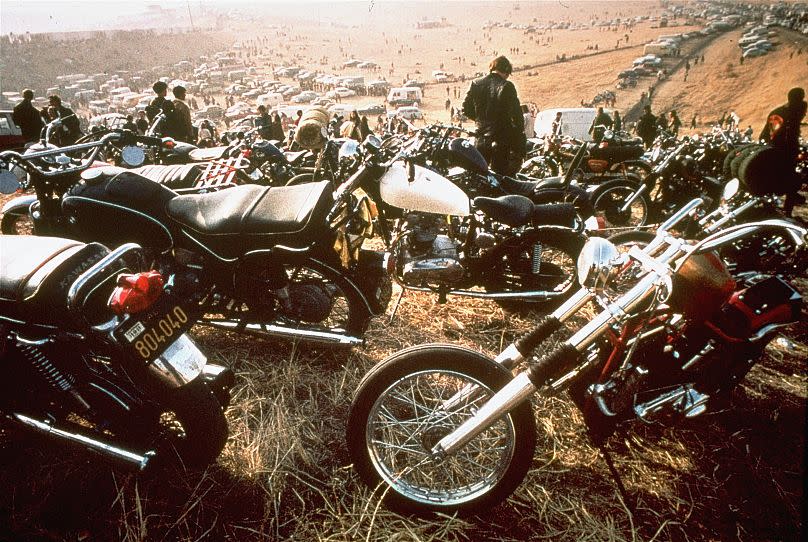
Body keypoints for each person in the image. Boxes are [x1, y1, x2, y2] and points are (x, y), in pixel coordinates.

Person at [461, 55, 525, 175]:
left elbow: (465, 109)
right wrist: (517, 135)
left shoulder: (476, 83)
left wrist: (480, 120)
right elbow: (517, 116)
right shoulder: (507, 86)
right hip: (501, 139)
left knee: (480, 175)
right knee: (500, 177)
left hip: (480, 137)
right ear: (506, 71)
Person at [759, 87, 807, 216]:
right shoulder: (781, 114)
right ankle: (779, 209)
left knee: (788, 181)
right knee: (782, 180)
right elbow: (772, 134)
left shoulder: (793, 111)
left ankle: (784, 209)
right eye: (800, 98)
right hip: (778, 151)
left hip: (784, 151)